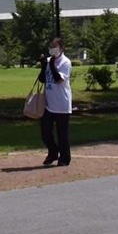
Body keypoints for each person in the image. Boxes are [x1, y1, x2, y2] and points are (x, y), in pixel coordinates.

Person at [38, 37, 73, 166]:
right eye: (51, 46)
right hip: (48, 104)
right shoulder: (48, 61)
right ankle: (53, 152)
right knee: (45, 132)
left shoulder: (65, 62)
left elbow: (59, 79)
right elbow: (42, 79)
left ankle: (64, 158)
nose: (53, 49)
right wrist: (44, 66)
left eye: (55, 46)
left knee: (62, 134)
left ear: (62, 48)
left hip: (62, 103)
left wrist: (52, 65)